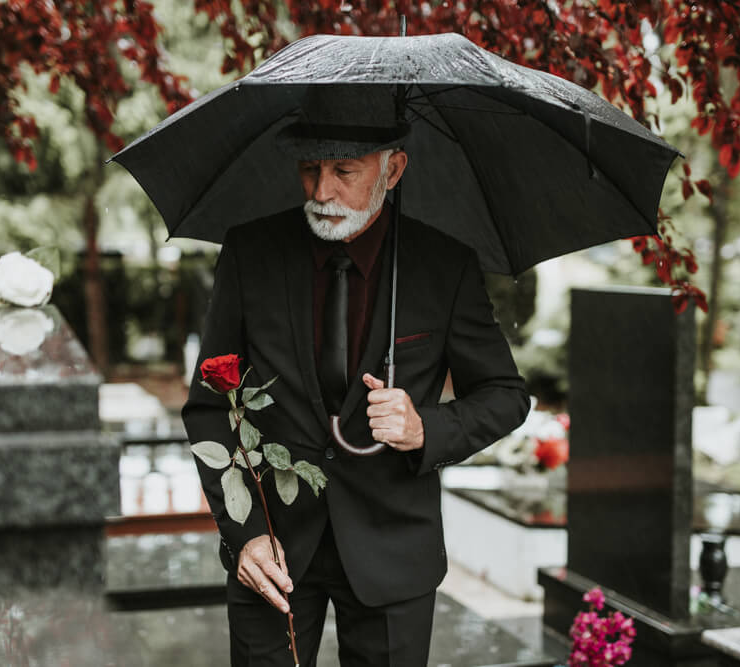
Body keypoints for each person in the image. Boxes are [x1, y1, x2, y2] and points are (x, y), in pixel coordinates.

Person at [182, 87, 529, 666]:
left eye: (344, 170)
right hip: (273, 548)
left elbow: (506, 395)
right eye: (311, 168)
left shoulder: (445, 266)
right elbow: (208, 405)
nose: (322, 190)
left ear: (393, 169)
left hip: (394, 551)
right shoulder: (250, 253)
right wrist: (242, 533)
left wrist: (426, 429)